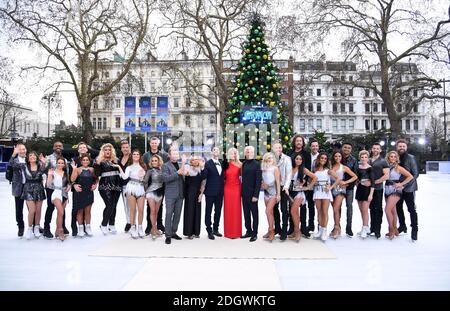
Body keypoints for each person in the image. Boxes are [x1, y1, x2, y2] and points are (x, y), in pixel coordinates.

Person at [114, 150, 147, 239]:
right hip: (131, 187)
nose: (136, 155)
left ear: (140, 156)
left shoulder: (143, 166)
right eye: (134, 154)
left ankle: (140, 228)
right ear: (131, 156)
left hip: (140, 188)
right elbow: (124, 177)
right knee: (132, 210)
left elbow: (145, 180)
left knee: (141, 210)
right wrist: (119, 167)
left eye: (137, 154)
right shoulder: (129, 167)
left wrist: (142, 177)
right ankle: (133, 228)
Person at [41, 141, 69, 239]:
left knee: (62, 209)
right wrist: (44, 164)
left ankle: (62, 226)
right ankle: (46, 228)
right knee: (50, 208)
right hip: (51, 188)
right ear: (53, 147)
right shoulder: (48, 158)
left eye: (60, 146)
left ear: (62, 147)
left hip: (63, 188)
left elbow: (67, 174)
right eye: (56, 146)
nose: (58, 147)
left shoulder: (65, 160)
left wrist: (68, 185)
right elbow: (42, 170)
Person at [384, 151, 413, 240]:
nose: (393, 158)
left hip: (396, 190)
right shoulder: (386, 167)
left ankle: (391, 229)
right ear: (388, 158)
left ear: (397, 158)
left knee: (387, 209)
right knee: (393, 211)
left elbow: (410, 176)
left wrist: (402, 184)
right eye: (391, 156)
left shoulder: (399, 168)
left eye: (394, 157)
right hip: (387, 189)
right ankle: (395, 229)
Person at [143, 136, 169, 235]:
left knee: (160, 205)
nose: (154, 145)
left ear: (158, 144)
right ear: (150, 144)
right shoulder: (146, 155)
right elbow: (144, 167)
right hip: (150, 182)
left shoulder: (164, 155)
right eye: (152, 143)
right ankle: (149, 226)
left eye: (155, 143)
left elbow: (166, 168)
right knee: (149, 207)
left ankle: (160, 224)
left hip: (161, 183)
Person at [312, 152, 340, 241]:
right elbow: (312, 180)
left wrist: (331, 187)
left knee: (324, 211)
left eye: (325, 158)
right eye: (322, 158)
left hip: (325, 192)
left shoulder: (328, 170)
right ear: (319, 159)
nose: (323, 159)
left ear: (327, 160)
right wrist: (313, 183)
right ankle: (320, 230)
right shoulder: (315, 170)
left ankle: (324, 230)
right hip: (317, 191)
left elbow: (338, 179)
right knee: (319, 211)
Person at [94, 143, 122, 235]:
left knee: (114, 205)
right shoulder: (99, 161)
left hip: (117, 185)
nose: (108, 151)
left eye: (109, 150)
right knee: (109, 205)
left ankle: (112, 224)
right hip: (105, 185)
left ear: (112, 151)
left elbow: (121, 171)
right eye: (105, 150)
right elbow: (97, 174)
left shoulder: (116, 160)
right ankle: (104, 224)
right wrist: (97, 165)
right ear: (103, 151)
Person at [329, 151, 357, 239]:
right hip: (331, 189)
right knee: (335, 209)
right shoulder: (330, 166)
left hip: (340, 189)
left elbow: (355, 176)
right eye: (336, 156)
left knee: (335, 208)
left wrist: (345, 182)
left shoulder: (344, 167)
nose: (337, 158)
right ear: (333, 157)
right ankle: (337, 226)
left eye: (339, 156)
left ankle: (336, 228)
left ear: (341, 157)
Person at [395, 139, 419, 241]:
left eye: (403, 146)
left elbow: (415, 174)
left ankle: (414, 230)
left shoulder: (411, 158)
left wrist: (404, 185)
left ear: (406, 147)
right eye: (400, 146)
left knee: (411, 209)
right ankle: (402, 226)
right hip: (397, 188)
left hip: (409, 188)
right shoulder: (394, 157)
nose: (401, 148)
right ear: (397, 147)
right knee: (398, 208)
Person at [289, 154, 317, 242]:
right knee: (295, 212)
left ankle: (298, 231)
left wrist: (308, 187)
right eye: (297, 159)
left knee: (293, 211)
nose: (298, 160)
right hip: (290, 193)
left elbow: (315, 177)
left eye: (300, 159)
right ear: (294, 160)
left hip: (299, 193)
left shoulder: (304, 169)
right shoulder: (290, 168)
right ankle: (295, 230)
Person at [289, 135, 313, 235]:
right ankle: (292, 228)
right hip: (291, 184)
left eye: (300, 141)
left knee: (303, 207)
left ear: (303, 143)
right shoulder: (289, 153)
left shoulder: (306, 154)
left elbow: (308, 168)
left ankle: (303, 228)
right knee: (291, 207)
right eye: (297, 141)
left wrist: (306, 182)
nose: (299, 142)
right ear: (294, 142)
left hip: (302, 184)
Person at [162, 147, 186, 244]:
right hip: (170, 194)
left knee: (177, 215)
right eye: (174, 153)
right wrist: (177, 173)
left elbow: (183, 176)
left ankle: (173, 232)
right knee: (168, 214)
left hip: (180, 194)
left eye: (177, 153)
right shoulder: (165, 166)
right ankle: (167, 235)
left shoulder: (181, 164)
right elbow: (165, 179)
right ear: (169, 155)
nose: (176, 155)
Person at [20, 151, 47, 239]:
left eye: (34, 155)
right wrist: (16, 154)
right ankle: (29, 228)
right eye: (30, 155)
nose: (32, 157)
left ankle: (37, 227)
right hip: (28, 189)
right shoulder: (24, 166)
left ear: (37, 157)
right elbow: (13, 164)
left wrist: (44, 162)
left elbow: (46, 171)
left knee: (38, 210)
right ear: (28, 158)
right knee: (32, 210)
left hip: (39, 188)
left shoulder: (40, 166)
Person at [70, 142, 94, 237]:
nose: (85, 161)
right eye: (83, 160)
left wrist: (95, 184)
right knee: (79, 210)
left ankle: (88, 228)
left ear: (89, 161)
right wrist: (74, 170)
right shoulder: (77, 168)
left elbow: (96, 179)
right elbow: (72, 179)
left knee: (88, 211)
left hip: (88, 192)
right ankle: (79, 228)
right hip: (79, 192)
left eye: (86, 160)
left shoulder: (92, 169)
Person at [201, 146, 225, 240]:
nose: (216, 151)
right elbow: (204, 176)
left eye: (218, 150)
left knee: (218, 211)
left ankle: (216, 229)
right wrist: (202, 168)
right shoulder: (208, 163)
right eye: (214, 150)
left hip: (220, 192)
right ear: (211, 152)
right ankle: (209, 230)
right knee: (208, 211)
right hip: (210, 191)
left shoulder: (222, 163)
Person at [271, 142, 292, 241]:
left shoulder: (287, 159)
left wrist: (287, 186)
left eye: (279, 147)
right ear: (272, 149)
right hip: (273, 188)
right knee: (274, 209)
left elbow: (289, 174)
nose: (278, 149)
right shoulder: (271, 159)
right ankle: (277, 228)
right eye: (276, 147)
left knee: (284, 209)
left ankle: (284, 230)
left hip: (283, 187)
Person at [47, 157, 71, 241]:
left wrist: (69, 186)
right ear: (56, 163)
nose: (60, 164)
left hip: (64, 194)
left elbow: (68, 183)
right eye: (59, 163)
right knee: (61, 212)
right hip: (56, 193)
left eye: (62, 163)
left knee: (60, 214)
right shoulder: (52, 172)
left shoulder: (66, 173)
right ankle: (61, 231)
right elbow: (48, 185)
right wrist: (49, 175)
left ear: (64, 164)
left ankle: (57, 230)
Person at [241, 146, 262, 242]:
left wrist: (256, 195)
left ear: (253, 153)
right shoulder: (244, 164)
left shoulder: (257, 164)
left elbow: (258, 181)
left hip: (253, 194)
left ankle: (254, 233)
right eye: (247, 152)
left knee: (254, 214)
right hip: (244, 193)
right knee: (246, 214)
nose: (249, 153)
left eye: (251, 152)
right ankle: (248, 231)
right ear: (245, 153)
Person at [369, 143, 390, 239]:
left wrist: (375, 182)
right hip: (368, 189)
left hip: (378, 188)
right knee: (371, 208)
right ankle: (372, 228)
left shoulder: (383, 161)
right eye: (374, 148)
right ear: (372, 149)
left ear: (380, 150)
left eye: (377, 148)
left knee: (378, 208)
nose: (375, 150)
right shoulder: (368, 160)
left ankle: (377, 230)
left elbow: (386, 175)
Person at [143, 155, 165, 240]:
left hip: (160, 193)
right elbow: (145, 182)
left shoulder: (163, 170)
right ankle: (154, 229)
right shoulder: (150, 171)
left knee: (156, 212)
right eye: (153, 161)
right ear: (151, 162)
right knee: (152, 211)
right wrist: (145, 192)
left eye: (156, 160)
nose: (154, 162)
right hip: (151, 192)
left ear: (159, 161)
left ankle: (153, 229)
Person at [261, 152, 281, 242]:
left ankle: (271, 231)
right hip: (265, 193)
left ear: (273, 159)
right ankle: (270, 230)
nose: (270, 159)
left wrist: (278, 194)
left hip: (273, 193)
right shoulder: (263, 168)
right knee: (270, 213)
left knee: (267, 211)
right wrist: (262, 185)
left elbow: (277, 182)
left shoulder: (275, 168)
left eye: (271, 158)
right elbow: (262, 180)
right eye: (268, 158)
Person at [8, 143, 27, 237]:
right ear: (17, 151)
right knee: (19, 209)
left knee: (33, 209)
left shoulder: (29, 159)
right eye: (20, 149)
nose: (23, 151)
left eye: (24, 149)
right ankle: (20, 226)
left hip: (29, 187)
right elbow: (10, 165)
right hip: (18, 187)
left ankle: (36, 226)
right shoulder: (14, 160)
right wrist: (13, 155)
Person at [183, 155, 204, 239]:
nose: (195, 161)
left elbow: (203, 182)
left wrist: (201, 193)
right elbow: (184, 173)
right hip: (189, 193)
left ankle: (196, 232)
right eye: (193, 160)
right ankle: (189, 232)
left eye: (197, 159)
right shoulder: (187, 167)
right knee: (189, 211)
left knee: (197, 211)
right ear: (191, 161)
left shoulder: (201, 169)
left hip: (198, 192)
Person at [355, 150, 375, 239]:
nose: (364, 159)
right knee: (361, 210)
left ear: (368, 158)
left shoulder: (370, 168)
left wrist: (371, 195)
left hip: (367, 191)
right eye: (362, 157)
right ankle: (365, 227)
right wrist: (359, 183)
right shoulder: (358, 167)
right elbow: (357, 179)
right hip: (359, 189)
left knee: (365, 210)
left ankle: (365, 227)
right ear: (360, 158)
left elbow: (373, 183)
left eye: (365, 157)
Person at [223, 148, 242, 239]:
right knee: (228, 209)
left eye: (234, 154)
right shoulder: (225, 164)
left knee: (236, 209)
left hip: (236, 188)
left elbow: (244, 177)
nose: (233, 155)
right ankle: (228, 232)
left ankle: (236, 232)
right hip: (227, 189)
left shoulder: (240, 164)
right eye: (231, 153)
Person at [341, 142, 358, 237]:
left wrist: (347, 184)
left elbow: (356, 175)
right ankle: (337, 227)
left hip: (349, 188)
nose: (346, 149)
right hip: (338, 186)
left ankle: (349, 227)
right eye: (345, 147)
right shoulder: (337, 157)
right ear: (342, 148)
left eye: (348, 148)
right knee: (337, 207)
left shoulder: (354, 160)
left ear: (351, 150)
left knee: (349, 207)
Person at [118, 140, 132, 232]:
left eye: (127, 147)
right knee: (126, 205)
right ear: (121, 149)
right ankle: (128, 222)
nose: (125, 149)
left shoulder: (133, 158)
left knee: (132, 205)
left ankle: (133, 222)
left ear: (129, 148)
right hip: (122, 185)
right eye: (123, 147)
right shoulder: (119, 159)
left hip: (132, 185)